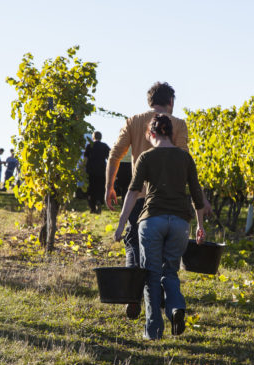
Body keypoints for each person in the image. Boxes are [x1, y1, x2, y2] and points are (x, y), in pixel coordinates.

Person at [105, 81, 212, 319]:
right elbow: (186, 163)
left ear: (149, 101)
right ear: (171, 102)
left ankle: (133, 296)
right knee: (165, 253)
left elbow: (115, 155)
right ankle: (164, 298)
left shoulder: (133, 121)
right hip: (170, 200)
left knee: (133, 246)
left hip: (137, 198)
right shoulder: (178, 124)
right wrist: (201, 199)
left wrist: (109, 186)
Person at [115, 114, 205, 339]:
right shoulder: (185, 158)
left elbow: (133, 191)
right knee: (171, 272)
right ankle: (176, 308)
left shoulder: (146, 157)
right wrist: (200, 224)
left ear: (151, 133)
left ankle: (153, 330)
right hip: (179, 223)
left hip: (152, 220)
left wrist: (121, 224)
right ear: (171, 133)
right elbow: (196, 194)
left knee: (152, 276)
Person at [84, 131, 110, 213]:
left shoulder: (89, 146)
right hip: (102, 170)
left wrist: (83, 169)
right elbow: (110, 158)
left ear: (93, 137)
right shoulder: (104, 146)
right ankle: (99, 201)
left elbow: (85, 159)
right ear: (101, 137)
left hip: (91, 170)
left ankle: (92, 207)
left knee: (91, 188)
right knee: (100, 187)